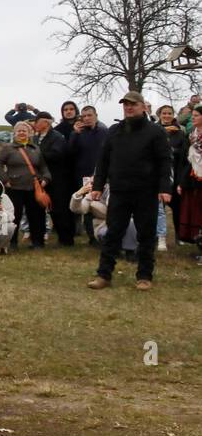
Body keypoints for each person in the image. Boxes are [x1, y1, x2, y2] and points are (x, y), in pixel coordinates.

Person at [88, 91, 173, 291]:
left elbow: (164, 161)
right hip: (119, 191)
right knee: (113, 233)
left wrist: (164, 188)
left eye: (133, 104)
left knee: (146, 235)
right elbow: (103, 161)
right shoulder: (115, 131)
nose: (129, 107)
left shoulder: (155, 131)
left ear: (143, 106)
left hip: (146, 191)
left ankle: (144, 276)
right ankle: (104, 275)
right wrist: (98, 186)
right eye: (125, 104)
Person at [0, 121, 51, 249]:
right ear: (14, 133)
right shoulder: (8, 148)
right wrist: (4, 179)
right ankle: (12, 242)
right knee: (14, 216)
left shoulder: (36, 148)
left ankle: (37, 242)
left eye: (24, 131)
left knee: (37, 216)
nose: (21, 133)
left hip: (33, 187)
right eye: (19, 130)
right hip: (14, 187)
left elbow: (43, 167)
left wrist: (46, 179)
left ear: (30, 133)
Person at [69, 105, 109, 245]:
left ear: (96, 115)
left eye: (89, 115)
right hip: (83, 175)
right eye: (84, 116)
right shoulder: (78, 133)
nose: (86, 118)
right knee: (87, 205)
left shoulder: (105, 132)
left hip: (102, 175)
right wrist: (74, 134)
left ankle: (103, 233)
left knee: (101, 205)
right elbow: (70, 153)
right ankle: (92, 237)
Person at [34, 110, 75, 246]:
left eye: (37, 121)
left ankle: (66, 239)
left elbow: (57, 154)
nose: (35, 124)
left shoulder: (57, 137)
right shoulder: (36, 137)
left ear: (46, 122)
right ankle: (39, 239)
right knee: (44, 208)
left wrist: (36, 155)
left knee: (59, 209)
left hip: (57, 179)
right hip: (41, 178)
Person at [157, 105, 188, 248]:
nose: (167, 116)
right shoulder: (154, 130)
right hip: (158, 176)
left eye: (169, 113)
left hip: (175, 174)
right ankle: (159, 237)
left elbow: (183, 155)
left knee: (178, 208)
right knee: (158, 210)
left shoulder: (179, 133)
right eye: (164, 113)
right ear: (159, 115)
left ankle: (179, 236)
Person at [175, 122, 202, 265]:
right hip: (193, 180)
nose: (194, 118)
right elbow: (185, 161)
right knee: (196, 214)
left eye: (197, 115)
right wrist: (182, 181)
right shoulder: (191, 136)